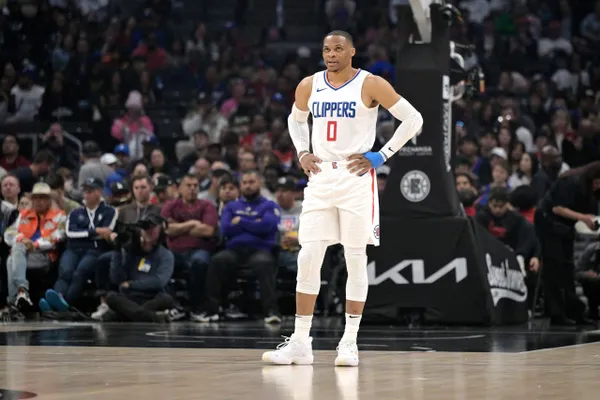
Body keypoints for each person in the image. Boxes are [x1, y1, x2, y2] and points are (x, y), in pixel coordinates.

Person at [262, 30, 423, 367]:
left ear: (352, 51)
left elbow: (413, 118)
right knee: (308, 256)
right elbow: (295, 120)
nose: (331, 54)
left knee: (354, 257)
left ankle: (349, 341)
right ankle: (300, 342)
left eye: (338, 49)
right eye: (326, 49)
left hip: (355, 177)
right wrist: (302, 151)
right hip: (320, 176)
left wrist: (382, 155)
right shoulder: (309, 84)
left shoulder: (370, 83)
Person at [535, 162, 600, 325]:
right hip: (548, 222)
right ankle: (557, 313)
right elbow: (558, 208)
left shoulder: (591, 190)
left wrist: (591, 221)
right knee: (554, 267)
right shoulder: (570, 182)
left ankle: (574, 311)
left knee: (567, 267)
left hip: (566, 227)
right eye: (597, 182)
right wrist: (583, 218)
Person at [3, 183, 66, 311]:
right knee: (14, 255)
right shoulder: (24, 214)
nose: (38, 201)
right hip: (22, 253)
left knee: (12, 258)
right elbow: (9, 233)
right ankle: (20, 295)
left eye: (42, 198)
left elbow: (57, 237)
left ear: (49, 200)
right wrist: (22, 239)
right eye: (36, 198)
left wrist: (35, 244)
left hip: (44, 255)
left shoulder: (60, 216)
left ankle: (14, 300)